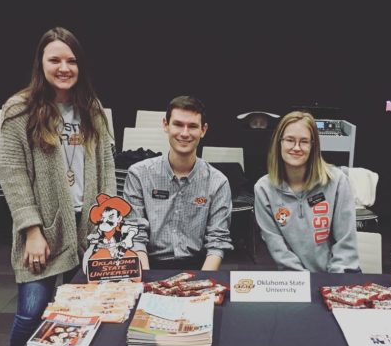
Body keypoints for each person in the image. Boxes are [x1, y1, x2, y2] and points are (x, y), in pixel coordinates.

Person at [0, 27, 116, 346]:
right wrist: (31, 230)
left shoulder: (92, 108)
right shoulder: (19, 109)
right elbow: (12, 173)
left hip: (89, 227)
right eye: (55, 60)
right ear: (41, 63)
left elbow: (106, 167)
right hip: (43, 228)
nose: (64, 68)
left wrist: (110, 225)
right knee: (32, 312)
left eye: (72, 61)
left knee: (90, 312)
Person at [123, 95, 233, 270]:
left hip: (199, 267)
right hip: (147, 265)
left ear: (203, 130)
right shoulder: (139, 174)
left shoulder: (218, 182)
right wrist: (146, 280)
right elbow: (135, 235)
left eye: (193, 126)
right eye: (178, 124)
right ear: (166, 125)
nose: (185, 133)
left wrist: (200, 283)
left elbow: (217, 242)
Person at [254, 111, 359, 272]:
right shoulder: (263, 189)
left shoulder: (337, 181)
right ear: (279, 143)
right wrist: (303, 283)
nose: (296, 148)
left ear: (313, 146)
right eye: (290, 140)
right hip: (294, 280)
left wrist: (332, 284)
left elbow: (345, 244)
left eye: (304, 141)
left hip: (336, 275)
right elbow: (278, 250)